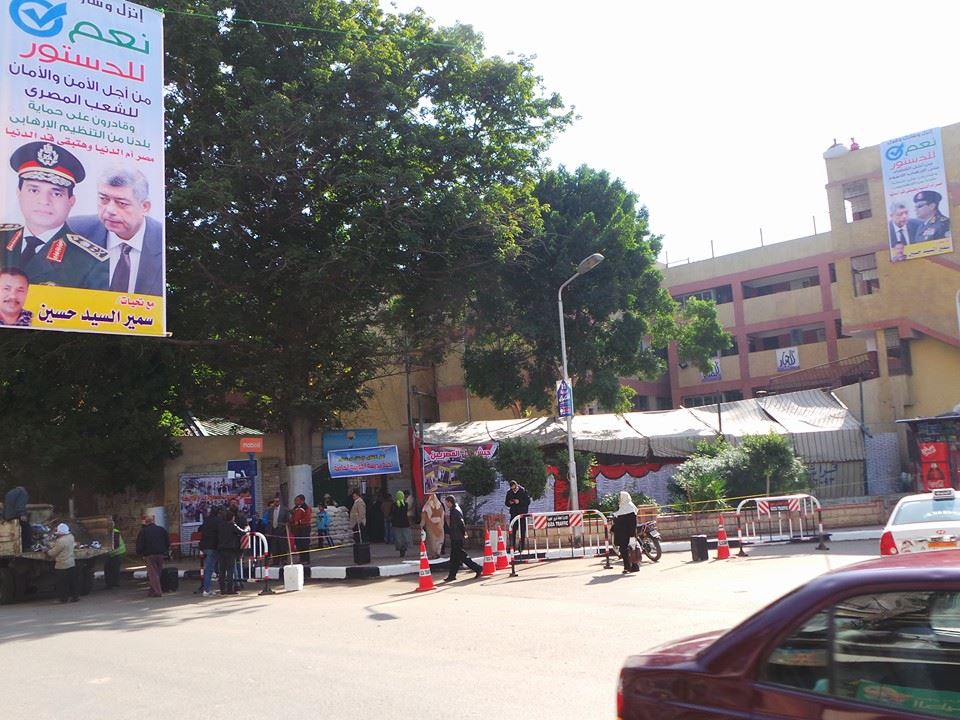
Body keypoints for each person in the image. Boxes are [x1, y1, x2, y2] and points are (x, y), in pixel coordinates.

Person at [0, 141, 109, 289]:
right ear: (19, 193)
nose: (44, 201)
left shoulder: (91, 263)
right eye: (34, 190)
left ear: (71, 201)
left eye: (56, 193)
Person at [70, 167, 164, 296]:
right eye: (104, 199)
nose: (110, 210)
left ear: (145, 207)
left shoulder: (163, 241)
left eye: (121, 203)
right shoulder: (74, 231)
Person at [443, 496, 482, 582]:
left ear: (450, 502)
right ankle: (452, 575)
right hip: (455, 536)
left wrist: (464, 532)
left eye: (446, 502)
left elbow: (461, 523)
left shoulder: (455, 510)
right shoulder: (455, 509)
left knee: (461, 556)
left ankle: (477, 568)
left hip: (457, 537)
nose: (446, 504)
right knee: (455, 558)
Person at [136, 514, 170, 597]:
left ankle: (157, 591)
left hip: (150, 555)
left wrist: (140, 553)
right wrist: (165, 550)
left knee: (153, 574)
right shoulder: (161, 529)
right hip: (160, 554)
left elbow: (140, 544)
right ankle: (152, 591)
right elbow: (168, 542)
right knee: (157, 572)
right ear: (153, 521)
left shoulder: (143, 531)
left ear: (146, 522)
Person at [47, 522, 78, 603]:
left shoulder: (61, 541)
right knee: (72, 582)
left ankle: (63, 599)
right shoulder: (71, 537)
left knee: (62, 583)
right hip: (71, 563)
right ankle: (75, 597)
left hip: (62, 565)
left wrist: (47, 551)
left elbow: (53, 553)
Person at [217, 508, 244, 595]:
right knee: (230, 570)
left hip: (221, 550)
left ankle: (222, 589)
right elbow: (242, 532)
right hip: (230, 550)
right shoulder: (232, 525)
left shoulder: (220, 525)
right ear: (232, 518)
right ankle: (229, 589)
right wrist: (247, 529)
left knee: (222, 570)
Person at [612, 491, 639, 574]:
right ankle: (632, 566)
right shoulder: (623, 506)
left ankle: (629, 567)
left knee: (628, 550)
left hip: (626, 533)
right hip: (624, 533)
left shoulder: (629, 507)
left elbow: (632, 522)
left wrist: (632, 534)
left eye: (620, 497)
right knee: (630, 549)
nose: (619, 499)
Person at [198, 507, 221, 597]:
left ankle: (207, 588)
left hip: (205, 546)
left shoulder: (206, 520)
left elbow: (200, 530)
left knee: (209, 568)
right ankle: (206, 590)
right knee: (210, 569)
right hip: (214, 547)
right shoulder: (218, 521)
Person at [505, 479, 531, 553]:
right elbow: (506, 503)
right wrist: (510, 502)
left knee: (522, 530)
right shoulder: (509, 492)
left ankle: (521, 547)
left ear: (516, 486)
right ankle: (512, 547)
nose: (513, 490)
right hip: (513, 513)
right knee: (512, 531)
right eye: (512, 489)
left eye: (514, 488)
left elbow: (528, 502)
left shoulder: (523, 491)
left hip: (522, 513)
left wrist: (519, 502)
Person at [2, 484, 31, 550]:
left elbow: (5, 506)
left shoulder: (9, 493)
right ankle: (26, 548)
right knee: (27, 529)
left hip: (8, 517)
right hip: (16, 516)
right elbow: (20, 504)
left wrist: (3, 517)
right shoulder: (22, 492)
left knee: (14, 532)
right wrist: (22, 514)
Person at [261, 496, 289, 560]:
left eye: (277, 501)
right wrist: (269, 531)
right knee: (274, 547)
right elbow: (269, 521)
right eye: (275, 501)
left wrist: (285, 528)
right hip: (273, 530)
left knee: (282, 546)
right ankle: (275, 560)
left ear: (279, 502)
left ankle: (284, 560)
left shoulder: (284, 510)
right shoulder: (270, 510)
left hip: (282, 530)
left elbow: (287, 520)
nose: (276, 503)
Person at [288, 494, 312, 565]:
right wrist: (290, 521)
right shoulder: (295, 508)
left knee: (304, 544)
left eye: (297, 500)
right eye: (295, 500)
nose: (295, 502)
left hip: (304, 528)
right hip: (297, 529)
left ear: (302, 501)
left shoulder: (306, 508)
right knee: (299, 544)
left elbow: (307, 518)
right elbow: (293, 516)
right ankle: (301, 559)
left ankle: (306, 559)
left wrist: (299, 522)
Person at [421, 493, 445, 559]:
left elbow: (423, 517)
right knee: (439, 539)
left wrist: (421, 526)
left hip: (430, 526)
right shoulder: (440, 506)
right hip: (439, 526)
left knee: (432, 540)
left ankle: (434, 553)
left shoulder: (426, 506)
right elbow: (443, 516)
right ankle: (438, 552)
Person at [103, 520, 126, 589]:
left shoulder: (115, 532)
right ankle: (110, 584)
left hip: (117, 553)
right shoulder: (109, 532)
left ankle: (115, 583)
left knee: (114, 568)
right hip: (113, 553)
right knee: (108, 568)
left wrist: (106, 550)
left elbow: (115, 544)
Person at [390, 490, 412, 558]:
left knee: (398, 538)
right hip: (405, 523)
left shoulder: (393, 505)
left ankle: (400, 549)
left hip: (396, 523)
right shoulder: (405, 505)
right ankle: (404, 548)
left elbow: (391, 513)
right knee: (405, 537)